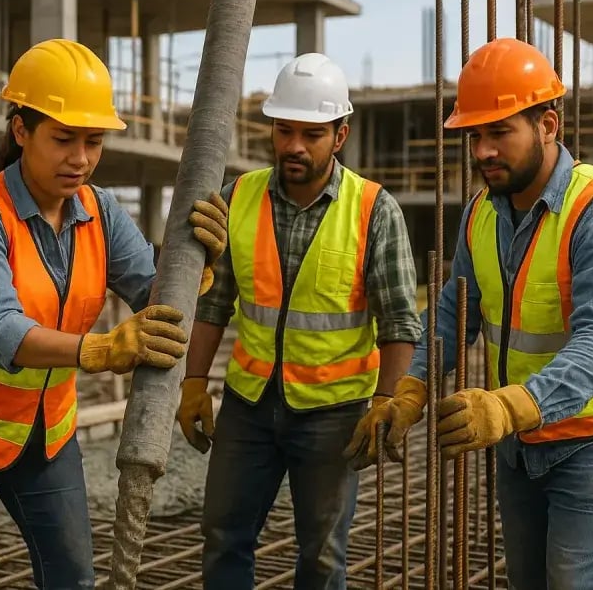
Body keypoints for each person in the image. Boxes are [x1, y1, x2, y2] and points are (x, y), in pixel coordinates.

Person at [0, 37, 229, 589]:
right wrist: (103, 349)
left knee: (74, 580)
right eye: (63, 139)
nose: (80, 158)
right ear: (21, 130)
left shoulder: (99, 211)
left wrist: (198, 269)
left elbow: (155, 294)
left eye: (94, 141)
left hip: (47, 439)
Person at [382, 37, 593, 589]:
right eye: (475, 135)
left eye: (499, 132)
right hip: (519, 446)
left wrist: (507, 407)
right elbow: (455, 313)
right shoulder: (481, 210)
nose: (482, 151)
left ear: (548, 125)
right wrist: (410, 388)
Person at [178, 52, 422, 589]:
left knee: (322, 559)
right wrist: (194, 382)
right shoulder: (238, 197)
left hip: (334, 414)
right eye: (284, 130)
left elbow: (401, 320)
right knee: (222, 538)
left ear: (340, 136)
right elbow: (213, 303)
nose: (293, 146)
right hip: (248, 405)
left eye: (311, 134)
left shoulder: (374, 210)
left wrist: (385, 400)